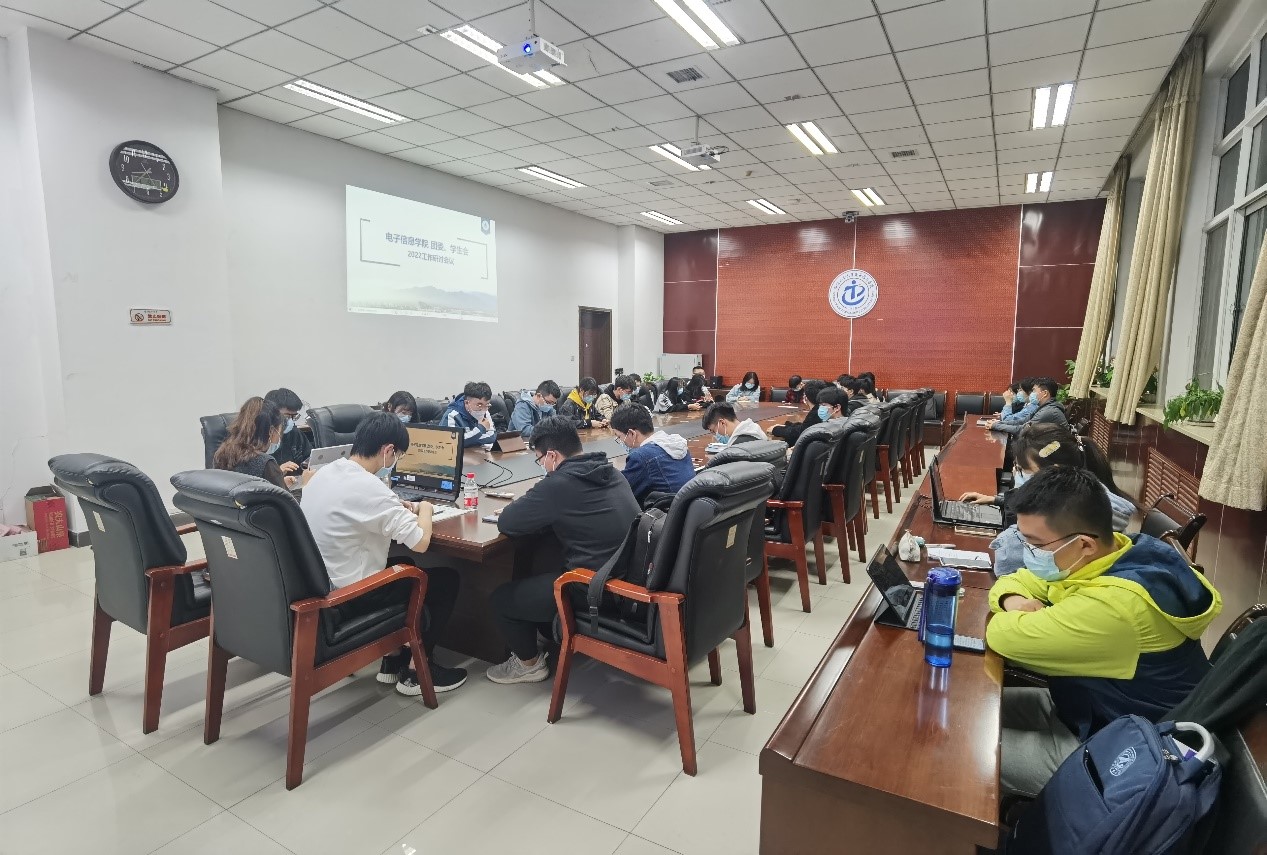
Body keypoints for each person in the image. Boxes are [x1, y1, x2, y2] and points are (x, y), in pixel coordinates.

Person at [987, 467, 1221, 798]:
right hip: (1089, 711)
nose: (1028, 553)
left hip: (1123, 758)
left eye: (1035, 545)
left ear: (1084, 544)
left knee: (960, 743)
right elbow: (1017, 579)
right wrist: (1015, 601)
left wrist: (1012, 612)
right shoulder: (1119, 550)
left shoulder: (1118, 606)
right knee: (969, 709)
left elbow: (1001, 637)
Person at [301, 412, 466, 694]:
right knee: (445, 580)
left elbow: (359, 506)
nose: (396, 461)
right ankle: (416, 671)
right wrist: (426, 508)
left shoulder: (325, 473)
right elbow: (420, 541)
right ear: (388, 450)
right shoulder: (371, 488)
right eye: (398, 455)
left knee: (404, 563)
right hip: (350, 597)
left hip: (322, 584)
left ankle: (391, 659)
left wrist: (391, 505)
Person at [486, 416, 639, 683]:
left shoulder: (558, 485)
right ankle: (544, 631)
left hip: (592, 588)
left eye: (540, 459)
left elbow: (508, 522)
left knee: (501, 599)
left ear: (552, 455)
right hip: (627, 577)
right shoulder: (610, 471)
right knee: (542, 558)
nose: (542, 466)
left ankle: (529, 666)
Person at [960, 423, 1137, 575]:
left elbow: (1007, 562)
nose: (1017, 474)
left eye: (1024, 470)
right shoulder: (1090, 492)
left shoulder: (1064, 513)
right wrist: (995, 499)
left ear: (1053, 471)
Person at [610, 402, 695, 504]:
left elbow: (621, 493)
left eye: (619, 436)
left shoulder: (641, 457)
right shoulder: (677, 443)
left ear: (632, 433)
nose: (620, 441)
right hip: (688, 508)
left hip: (667, 511)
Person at [213, 397, 294, 491]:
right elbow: (286, 500)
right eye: (279, 431)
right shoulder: (266, 463)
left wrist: (280, 482)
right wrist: (304, 484)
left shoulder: (221, 454)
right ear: (271, 431)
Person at [988, 377, 1067, 433]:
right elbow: (1022, 421)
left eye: (1034, 391)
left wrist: (996, 426)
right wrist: (999, 423)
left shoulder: (1049, 411)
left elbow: (1024, 430)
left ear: (1045, 393)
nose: (1032, 394)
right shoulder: (1043, 408)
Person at [264, 387, 312, 472]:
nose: (290, 421)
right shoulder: (257, 440)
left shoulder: (295, 433)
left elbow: (309, 458)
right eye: (286, 416)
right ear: (271, 413)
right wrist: (277, 473)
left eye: (294, 416)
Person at [441, 381, 497, 448]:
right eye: (479, 405)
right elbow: (453, 443)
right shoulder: (452, 415)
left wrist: (468, 441)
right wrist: (481, 429)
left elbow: (492, 437)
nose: (483, 410)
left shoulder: (485, 411)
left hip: (475, 453)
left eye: (487, 405)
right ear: (467, 403)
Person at [772, 379, 829, 444]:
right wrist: (789, 425)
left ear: (805, 397)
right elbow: (805, 426)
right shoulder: (823, 409)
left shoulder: (816, 413)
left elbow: (800, 432)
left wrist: (776, 429)